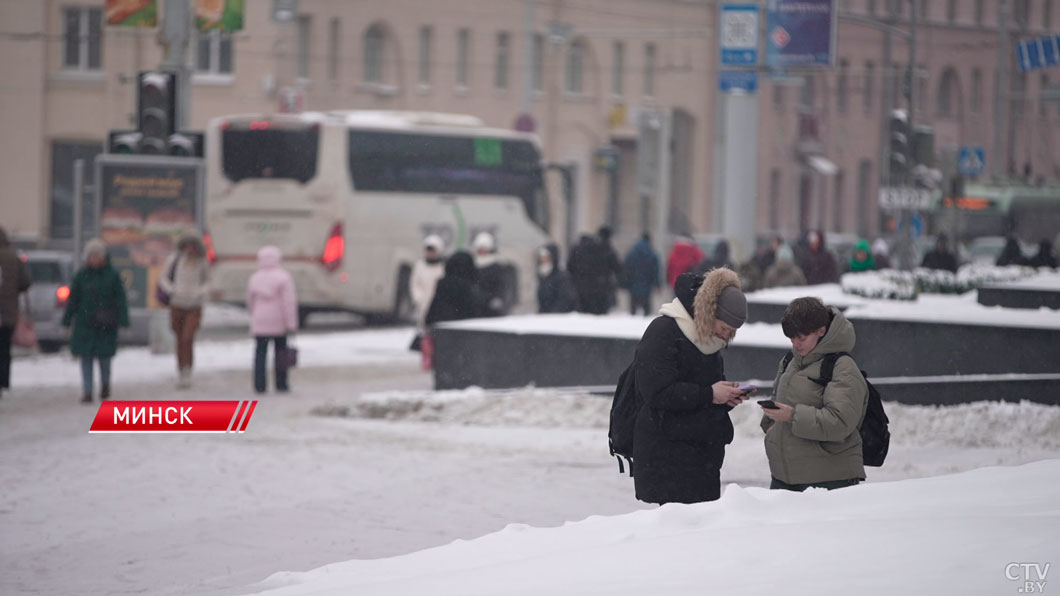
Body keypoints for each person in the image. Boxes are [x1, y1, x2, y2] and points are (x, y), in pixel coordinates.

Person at [631, 267, 751, 504]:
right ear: (709, 313)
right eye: (725, 328)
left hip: (701, 459)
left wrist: (724, 398)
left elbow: (704, 394)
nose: (726, 337)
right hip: (667, 459)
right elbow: (657, 392)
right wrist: (709, 394)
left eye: (732, 332)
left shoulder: (710, 340)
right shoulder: (665, 331)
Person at [760, 296, 868, 492]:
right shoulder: (790, 361)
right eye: (791, 338)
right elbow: (779, 399)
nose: (796, 344)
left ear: (822, 330)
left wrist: (792, 416)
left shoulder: (842, 366)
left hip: (828, 482)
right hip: (785, 480)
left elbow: (840, 422)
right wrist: (770, 426)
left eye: (801, 338)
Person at [62, 239, 129, 404]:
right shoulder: (81, 276)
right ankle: (87, 391)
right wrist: (66, 319)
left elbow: (121, 300)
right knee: (86, 359)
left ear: (103, 257)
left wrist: (124, 321)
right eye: (90, 256)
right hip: (85, 324)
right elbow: (73, 300)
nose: (93, 259)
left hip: (106, 324)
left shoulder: (112, 275)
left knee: (104, 359)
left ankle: (105, 385)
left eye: (96, 256)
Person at [158, 232, 211, 388]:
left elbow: (208, 280)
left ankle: (188, 370)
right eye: (187, 246)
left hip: (194, 305)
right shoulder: (174, 260)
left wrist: (200, 292)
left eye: (193, 246)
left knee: (188, 337)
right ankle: (181, 370)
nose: (190, 249)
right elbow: (163, 278)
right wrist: (172, 290)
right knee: (179, 338)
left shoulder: (202, 262)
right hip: (177, 304)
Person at [246, 246, 298, 394]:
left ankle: (259, 384)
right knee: (280, 352)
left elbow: (250, 301)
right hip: (279, 321)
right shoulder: (284, 277)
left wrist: (254, 315)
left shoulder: (255, 278)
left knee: (260, 354)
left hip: (260, 320)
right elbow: (289, 302)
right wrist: (291, 324)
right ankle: (281, 383)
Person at [0, 226, 32, 397]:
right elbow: (26, 282)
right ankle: (3, 380)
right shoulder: (13, 258)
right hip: (8, 312)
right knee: (4, 348)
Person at [410, 235, 446, 337]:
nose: (430, 253)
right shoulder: (419, 265)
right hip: (423, 303)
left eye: (433, 251)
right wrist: (418, 298)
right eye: (428, 250)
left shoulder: (443, 266)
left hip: (437, 303)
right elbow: (414, 284)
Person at [567, 233, 611, 315]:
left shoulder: (576, 249)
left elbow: (570, 267)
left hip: (579, 286)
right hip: (597, 287)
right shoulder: (598, 249)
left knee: (582, 313)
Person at [472, 231, 514, 317]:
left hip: (492, 306)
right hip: (476, 306)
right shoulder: (473, 265)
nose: (483, 250)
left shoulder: (497, 266)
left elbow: (501, 285)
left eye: (485, 248)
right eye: (480, 248)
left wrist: (498, 298)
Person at [621, 233, 661, 316]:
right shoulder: (652, 254)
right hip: (647, 287)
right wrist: (657, 285)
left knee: (633, 312)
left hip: (633, 286)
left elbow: (626, 269)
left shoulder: (631, 253)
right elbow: (655, 271)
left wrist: (625, 282)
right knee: (646, 313)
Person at [536, 244, 576, 314]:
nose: (543, 260)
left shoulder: (562, 277)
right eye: (541, 258)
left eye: (546, 258)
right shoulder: (543, 277)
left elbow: (566, 300)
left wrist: (554, 314)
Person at [597, 226, 623, 310]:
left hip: (593, 286)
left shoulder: (593, 249)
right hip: (606, 285)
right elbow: (617, 268)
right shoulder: (610, 251)